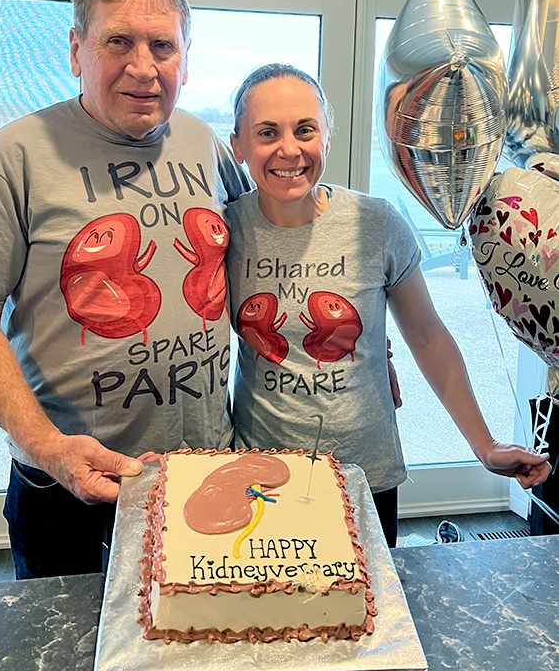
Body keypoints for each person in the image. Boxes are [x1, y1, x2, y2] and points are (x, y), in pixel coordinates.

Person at [0, 0, 251, 579]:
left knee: (193, 642)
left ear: (186, 54)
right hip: (65, 485)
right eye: (118, 41)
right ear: (76, 50)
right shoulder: (14, 155)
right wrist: (48, 449)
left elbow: (258, 260)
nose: (142, 67)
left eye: (162, 45)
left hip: (198, 472)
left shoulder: (204, 143)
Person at [224, 63, 552, 548]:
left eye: (305, 129)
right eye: (267, 132)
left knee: (370, 618)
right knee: (268, 621)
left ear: (327, 138)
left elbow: (427, 336)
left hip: (365, 475)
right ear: (238, 147)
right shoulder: (225, 232)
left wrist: (483, 444)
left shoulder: (376, 223)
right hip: (264, 478)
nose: (288, 149)